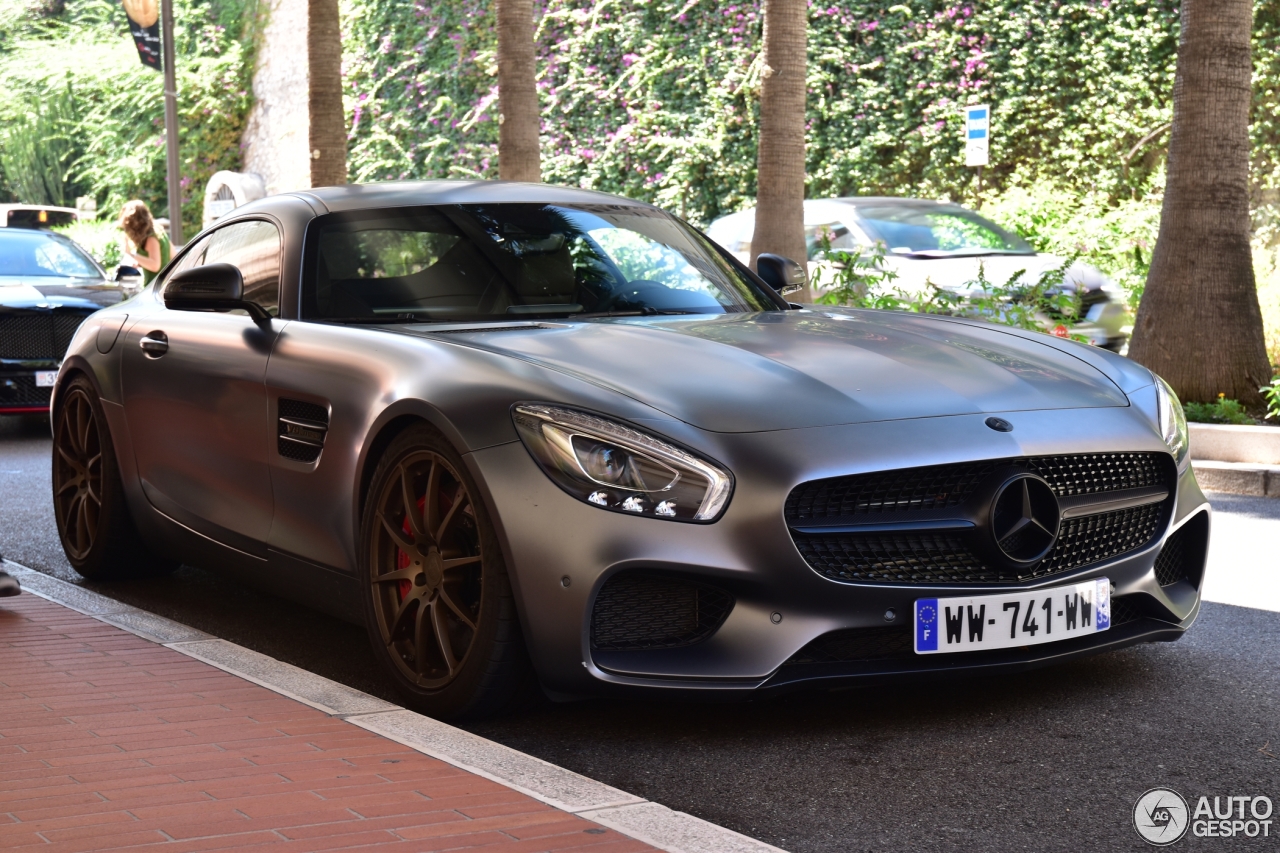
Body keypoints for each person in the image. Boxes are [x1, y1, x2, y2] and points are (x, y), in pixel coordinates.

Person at [119, 199, 171, 287]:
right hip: (163, 286)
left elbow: (155, 265)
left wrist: (131, 254)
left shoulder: (151, 239)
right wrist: (141, 263)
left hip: (154, 288)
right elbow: (171, 255)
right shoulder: (159, 232)